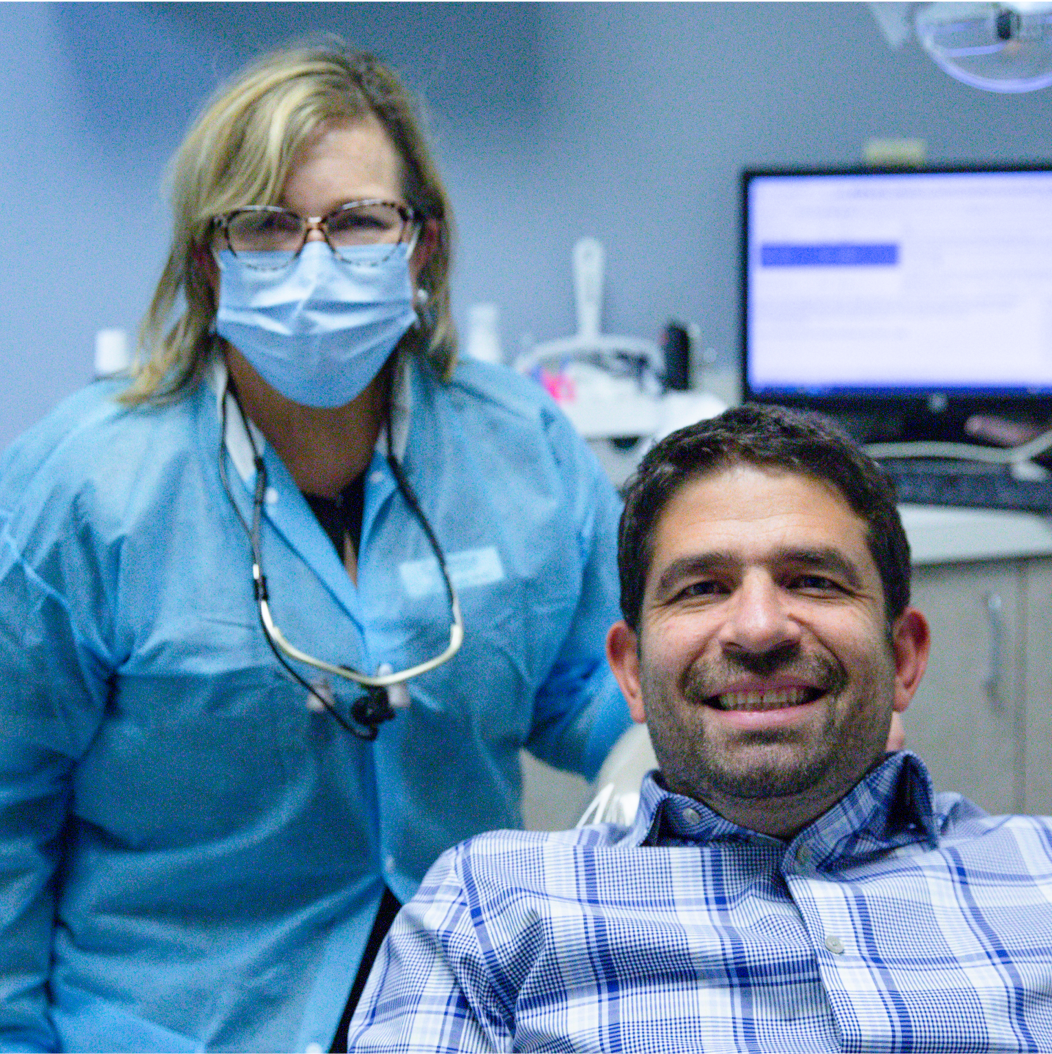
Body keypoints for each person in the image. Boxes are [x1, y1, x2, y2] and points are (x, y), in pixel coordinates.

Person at [0, 42, 631, 1054]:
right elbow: (6, 805)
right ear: (209, 260)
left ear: (419, 245)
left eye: (356, 223)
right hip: (177, 1020)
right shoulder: (80, 489)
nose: (312, 260)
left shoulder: (520, 445)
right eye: (263, 225)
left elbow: (596, 688)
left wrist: (651, 759)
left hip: (463, 1007)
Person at [345, 404, 1052, 1053]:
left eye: (812, 580)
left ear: (903, 657)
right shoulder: (487, 913)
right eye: (702, 588)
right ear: (630, 670)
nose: (758, 629)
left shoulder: (1039, 875)